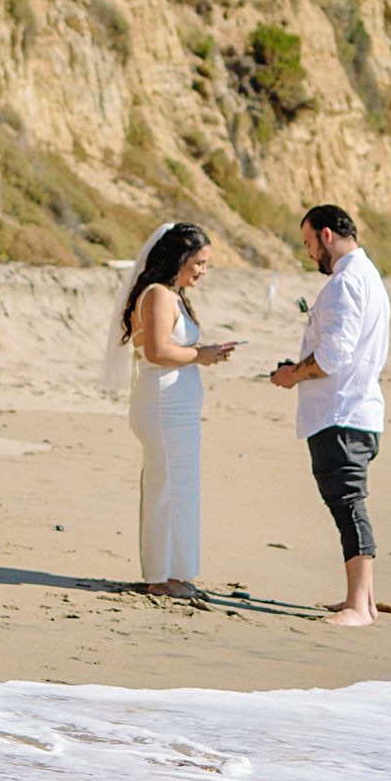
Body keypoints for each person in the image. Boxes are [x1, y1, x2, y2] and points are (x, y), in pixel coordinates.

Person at [269, 204, 390, 627]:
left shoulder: (346, 282)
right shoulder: (368, 276)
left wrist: (292, 375)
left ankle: (359, 606)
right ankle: (363, 601)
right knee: (348, 501)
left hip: (342, 412)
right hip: (356, 407)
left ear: (325, 235)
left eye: (307, 244)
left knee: (347, 504)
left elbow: (333, 356)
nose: (307, 255)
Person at [102, 222, 238, 597]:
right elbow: (156, 352)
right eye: (198, 263)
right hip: (163, 408)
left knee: (176, 486)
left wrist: (203, 354)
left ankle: (171, 571)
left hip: (172, 408)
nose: (203, 271)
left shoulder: (170, 296)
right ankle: (162, 578)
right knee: (170, 489)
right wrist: (201, 355)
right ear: (177, 259)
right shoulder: (158, 295)